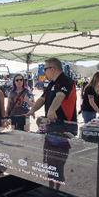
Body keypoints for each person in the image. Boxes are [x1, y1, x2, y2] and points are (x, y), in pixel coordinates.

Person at [25, 58, 77, 190]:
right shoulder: (51, 84)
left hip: (64, 130)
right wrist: (32, 110)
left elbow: (60, 96)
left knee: (58, 164)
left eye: (45, 69)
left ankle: (58, 191)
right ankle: (51, 188)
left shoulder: (66, 80)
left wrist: (52, 110)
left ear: (52, 69)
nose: (44, 72)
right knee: (50, 163)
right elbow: (42, 99)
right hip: (52, 129)